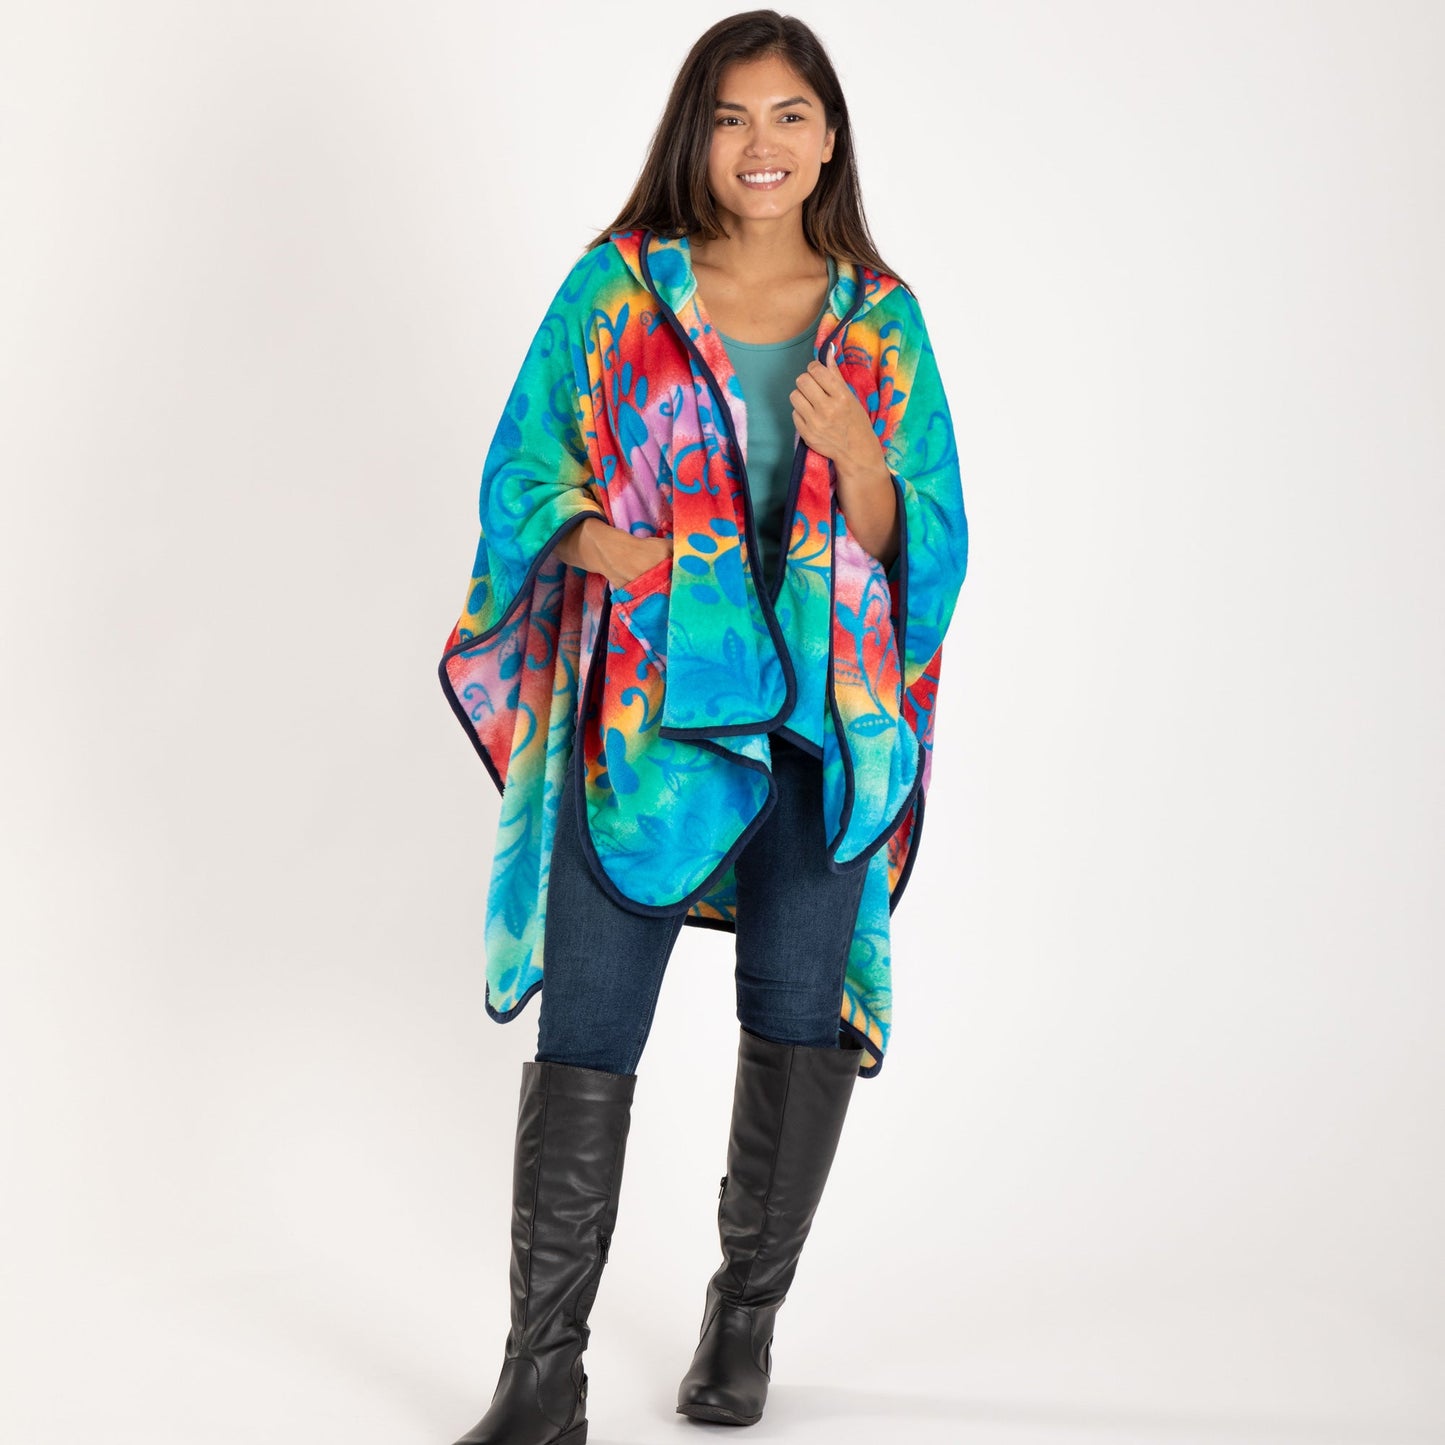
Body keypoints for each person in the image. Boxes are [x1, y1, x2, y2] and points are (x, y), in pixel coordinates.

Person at [436, 10, 969, 1443]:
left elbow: (925, 551)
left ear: (829, 139)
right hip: (647, 722)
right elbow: (522, 470)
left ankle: (743, 1322)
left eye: (789, 116)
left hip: (820, 730)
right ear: (696, 131)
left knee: (794, 1018)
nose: (759, 145)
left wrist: (860, 460)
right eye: (731, 117)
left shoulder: (883, 320)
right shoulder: (617, 291)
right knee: (588, 1025)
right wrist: (599, 545)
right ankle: (541, 1375)